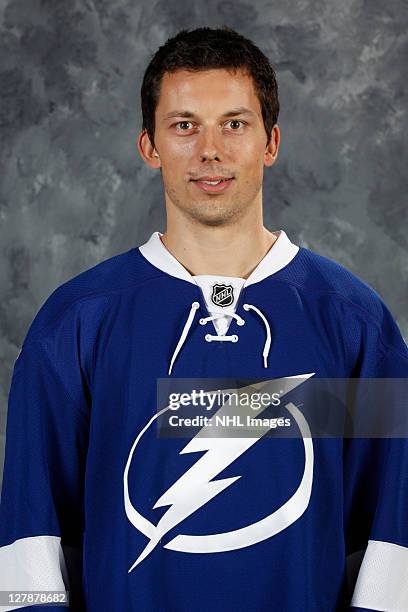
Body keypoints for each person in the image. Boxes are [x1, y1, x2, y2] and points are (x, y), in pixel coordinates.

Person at [0, 25, 407, 612]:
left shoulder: (353, 324)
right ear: (149, 145)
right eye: (184, 125)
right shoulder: (75, 323)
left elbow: (391, 534)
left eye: (235, 124)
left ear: (270, 142)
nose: (210, 150)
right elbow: (28, 538)